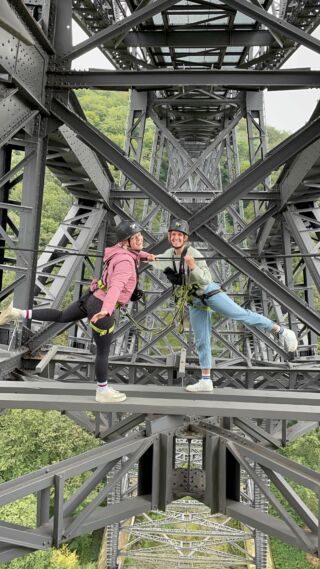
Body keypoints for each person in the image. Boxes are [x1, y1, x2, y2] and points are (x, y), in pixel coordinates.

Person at [0, 220, 156, 403]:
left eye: (140, 236)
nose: (140, 239)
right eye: (135, 237)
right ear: (125, 242)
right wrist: (106, 310)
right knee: (103, 351)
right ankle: (102, 391)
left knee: (62, 316)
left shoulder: (120, 252)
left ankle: (18, 312)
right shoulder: (126, 263)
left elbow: (132, 255)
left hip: (92, 298)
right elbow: (116, 287)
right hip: (101, 306)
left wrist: (147, 256)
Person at [151, 218, 298, 392]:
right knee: (201, 340)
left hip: (210, 293)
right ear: (170, 236)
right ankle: (206, 379)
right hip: (194, 302)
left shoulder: (194, 253)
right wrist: (135, 254)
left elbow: (206, 279)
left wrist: (192, 267)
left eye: (179, 235)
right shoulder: (169, 255)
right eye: (173, 234)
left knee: (240, 314)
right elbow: (153, 259)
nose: (176, 237)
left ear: (185, 238)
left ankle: (282, 332)